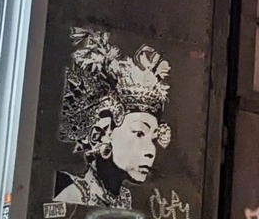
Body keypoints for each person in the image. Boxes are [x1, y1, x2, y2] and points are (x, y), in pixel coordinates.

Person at [54, 29, 172, 207]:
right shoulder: (72, 194)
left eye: (153, 139)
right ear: (101, 135)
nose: (151, 151)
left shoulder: (124, 200)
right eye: (140, 133)